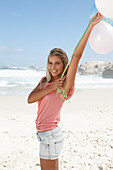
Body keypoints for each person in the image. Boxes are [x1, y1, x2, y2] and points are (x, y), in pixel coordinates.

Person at [27, 13, 103, 170]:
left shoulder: (65, 85)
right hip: (43, 135)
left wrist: (90, 26)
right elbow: (30, 99)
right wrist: (50, 87)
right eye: (50, 63)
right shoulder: (44, 81)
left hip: (50, 136)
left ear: (63, 65)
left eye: (57, 63)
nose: (53, 67)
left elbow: (77, 55)